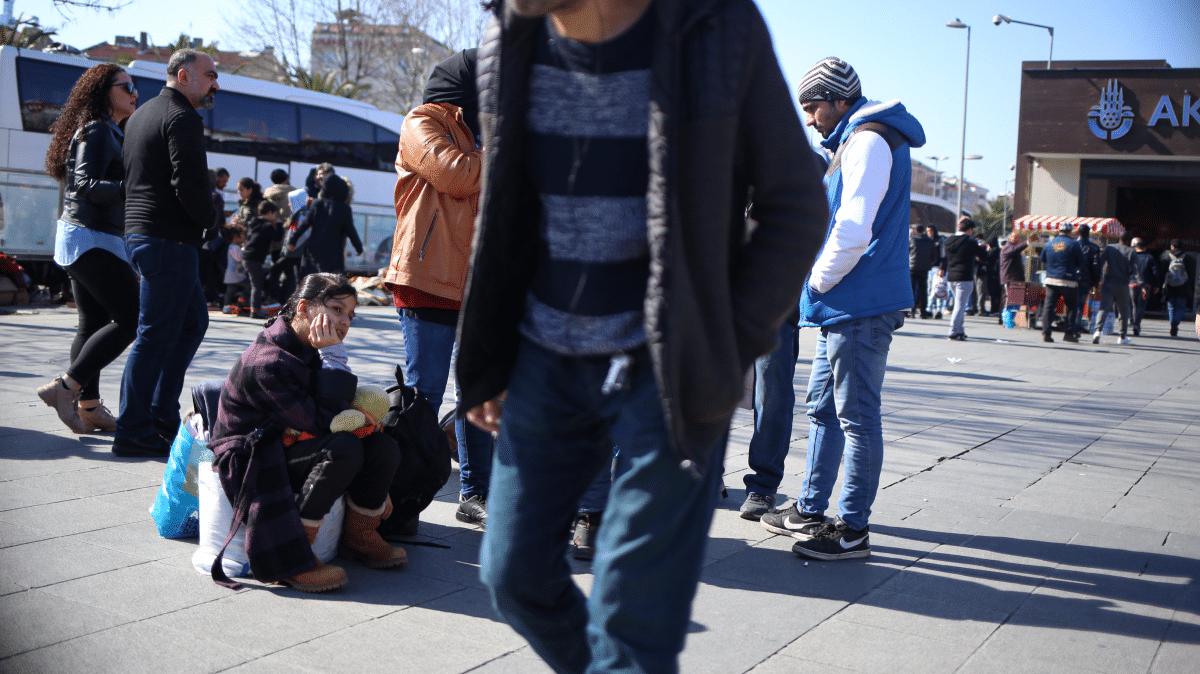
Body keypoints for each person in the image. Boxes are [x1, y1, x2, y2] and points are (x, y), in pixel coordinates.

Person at [456, 1, 828, 671]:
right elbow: (503, 209)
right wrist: (487, 356)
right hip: (543, 359)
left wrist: (725, 345)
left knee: (634, 628)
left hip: (667, 370)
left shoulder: (715, 24)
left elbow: (795, 204)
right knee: (513, 577)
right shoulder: (508, 32)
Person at [757, 57, 922, 563]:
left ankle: (852, 531)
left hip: (859, 301)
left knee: (857, 418)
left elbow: (853, 227)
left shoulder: (868, 140)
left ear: (839, 100)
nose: (809, 119)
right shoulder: (854, 139)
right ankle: (810, 509)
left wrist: (814, 280)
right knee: (824, 409)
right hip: (845, 302)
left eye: (813, 107)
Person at [209, 273, 406, 593]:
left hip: (290, 440)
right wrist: (335, 358)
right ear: (303, 308)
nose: (345, 322)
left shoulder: (307, 346)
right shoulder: (268, 361)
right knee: (343, 448)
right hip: (253, 453)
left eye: (351, 315)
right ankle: (293, 556)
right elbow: (321, 422)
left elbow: (333, 415)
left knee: (383, 446)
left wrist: (377, 485)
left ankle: (359, 537)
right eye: (336, 309)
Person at [382, 49, 492, 529]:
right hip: (428, 278)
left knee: (479, 394)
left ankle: (475, 493)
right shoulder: (422, 121)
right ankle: (400, 497)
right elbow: (456, 174)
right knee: (424, 392)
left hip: (480, 285)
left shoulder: (482, 131)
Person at [113, 48, 218, 457]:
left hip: (147, 236)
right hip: (168, 239)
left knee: (191, 322)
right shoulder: (182, 116)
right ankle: (133, 428)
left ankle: (158, 412)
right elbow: (188, 183)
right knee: (154, 335)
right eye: (209, 74)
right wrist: (210, 220)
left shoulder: (142, 114)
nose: (216, 83)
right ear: (183, 76)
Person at [36, 63, 140, 434]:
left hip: (92, 235)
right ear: (103, 91)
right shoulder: (97, 129)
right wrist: (135, 188)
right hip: (89, 236)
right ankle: (66, 387)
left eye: (134, 86)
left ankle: (89, 408)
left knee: (92, 323)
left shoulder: (111, 130)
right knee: (132, 317)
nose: (135, 93)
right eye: (126, 86)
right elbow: (83, 184)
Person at [293, 173, 362, 274]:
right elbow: (351, 231)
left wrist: (293, 240)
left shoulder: (317, 204)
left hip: (314, 252)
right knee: (330, 278)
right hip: (334, 254)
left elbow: (304, 224)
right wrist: (358, 248)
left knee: (312, 276)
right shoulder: (344, 209)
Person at [940, 217, 986, 340]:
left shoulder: (949, 240)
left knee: (959, 304)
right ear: (970, 229)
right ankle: (953, 331)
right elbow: (983, 255)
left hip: (951, 276)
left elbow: (945, 257)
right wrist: (982, 246)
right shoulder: (970, 241)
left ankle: (960, 330)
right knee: (960, 306)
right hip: (964, 276)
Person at [1093, 231, 1141, 345]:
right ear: (1128, 241)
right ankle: (1122, 336)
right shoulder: (1131, 251)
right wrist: (1142, 284)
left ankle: (1098, 331)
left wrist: (1098, 279)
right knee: (1123, 310)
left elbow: (1100, 263)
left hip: (1108, 282)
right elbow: (1136, 270)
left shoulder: (1109, 248)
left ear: (1119, 238)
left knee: (1104, 308)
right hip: (1122, 284)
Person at [1039, 222, 1083, 343]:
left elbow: (1042, 259)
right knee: (1072, 306)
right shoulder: (1074, 244)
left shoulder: (1049, 244)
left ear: (1059, 231)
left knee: (1049, 307)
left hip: (1051, 279)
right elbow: (1080, 262)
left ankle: (1046, 333)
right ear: (1070, 232)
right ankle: (1068, 334)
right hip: (1068, 280)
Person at [242, 200, 283, 319]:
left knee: (253, 282)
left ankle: (242, 303)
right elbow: (278, 237)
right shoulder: (267, 226)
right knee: (257, 285)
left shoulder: (254, 223)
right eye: (275, 214)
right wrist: (279, 224)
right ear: (270, 212)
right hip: (254, 258)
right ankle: (255, 310)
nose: (276, 216)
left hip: (247, 256)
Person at [1070, 224, 1102, 334]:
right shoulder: (1094, 247)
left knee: (1071, 305)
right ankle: (1075, 329)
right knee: (1080, 306)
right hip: (1085, 281)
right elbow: (1096, 266)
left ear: (1078, 233)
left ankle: (1069, 327)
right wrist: (1096, 281)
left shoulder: (1072, 245)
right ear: (1089, 234)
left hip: (1071, 279)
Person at [1161, 239, 1193, 337]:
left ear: (1172, 246)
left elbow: (1162, 270)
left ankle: (1172, 323)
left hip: (1170, 286)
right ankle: (1175, 322)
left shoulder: (1166, 256)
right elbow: (1191, 273)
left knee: (1171, 307)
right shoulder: (1187, 257)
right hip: (1183, 286)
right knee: (1181, 307)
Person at [1130, 237, 1158, 336]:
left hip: (1132, 284)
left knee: (1134, 305)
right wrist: (1157, 285)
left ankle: (1133, 322)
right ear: (1145, 248)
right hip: (1146, 285)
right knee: (1141, 306)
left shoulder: (1131, 257)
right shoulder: (1149, 258)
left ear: (1136, 247)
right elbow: (1155, 272)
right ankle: (1136, 324)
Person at [909, 224, 935, 319]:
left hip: (913, 267)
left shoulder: (912, 240)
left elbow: (907, 252)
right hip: (924, 268)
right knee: (923, 290)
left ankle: (912, 310)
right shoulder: (930, 241)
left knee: (912, 289)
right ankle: (923, 311)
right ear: (924, 230)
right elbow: (934, 255)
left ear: (916, 230)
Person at [221, 223, 248, 313]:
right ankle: (242, 301)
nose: (244, 237)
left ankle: (226, 306)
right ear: (236, 237)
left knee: (230, 291)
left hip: (231, 273)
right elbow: (239, 258)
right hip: (236, 274)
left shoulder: (232, 246)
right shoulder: (234, 247)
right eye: (242, 235)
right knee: (249, 286)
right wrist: (245, 249)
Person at [926, 225, 946, 318]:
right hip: (928, 267)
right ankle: (929, 309)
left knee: (938, 288)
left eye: (931, 230)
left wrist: (942, 268)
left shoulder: (940, 240)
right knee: (929, 289)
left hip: (937, 267)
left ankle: (939, 310)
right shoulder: (927, 240)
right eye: (928, 231)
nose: (929, 233)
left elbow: (943, 255)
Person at [985, 237, 1003, 322]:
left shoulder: (992, 252)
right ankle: (998, 309)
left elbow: (985, 257)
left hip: (992, 274)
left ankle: (994, 309)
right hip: (999, 275)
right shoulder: (1000, 251)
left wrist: (987, 250)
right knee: (999, 294)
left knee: (993, 294)